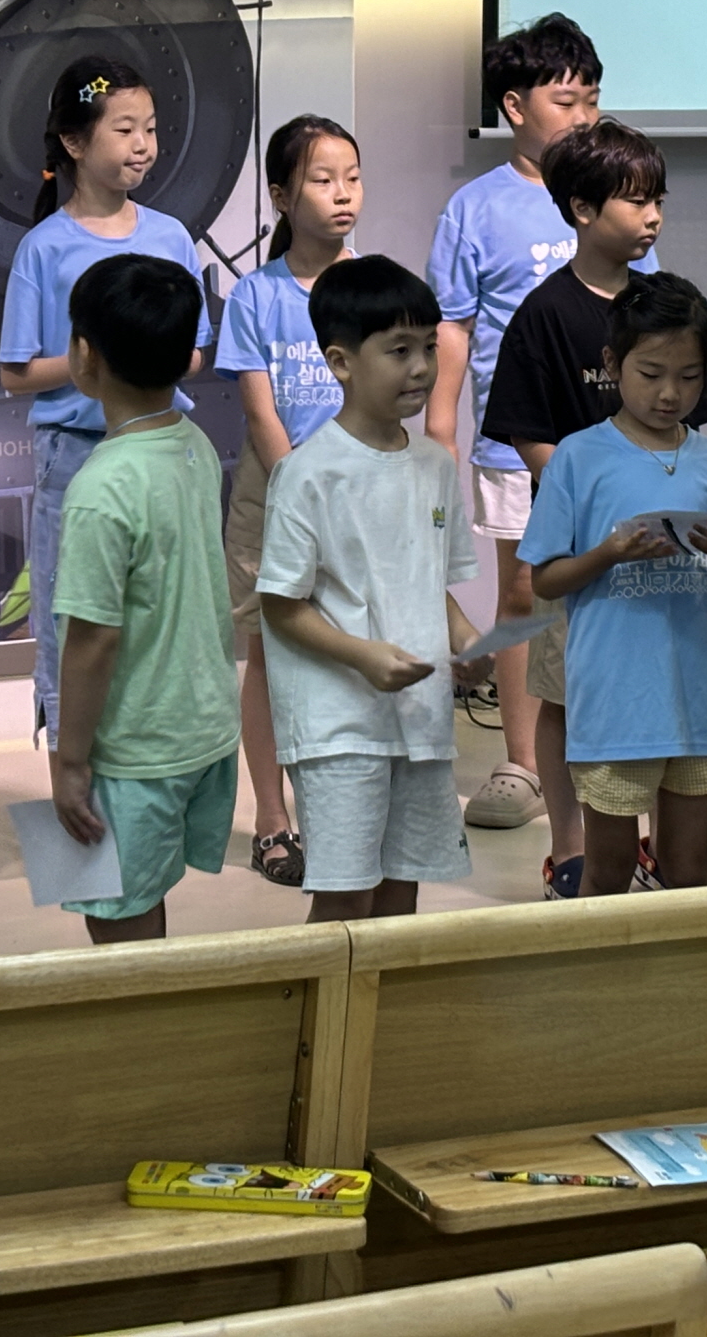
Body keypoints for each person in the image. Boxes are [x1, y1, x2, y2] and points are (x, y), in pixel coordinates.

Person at [483, 119, 707, 897]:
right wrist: (600, 493)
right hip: (580, 547)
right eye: (636, 201)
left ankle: (653, 845)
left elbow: (696, 430)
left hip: (662, 558)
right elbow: (528, 434)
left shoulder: (668, 305)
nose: (653, 216)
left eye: (659, 201)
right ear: (582, 209)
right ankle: (572, 846)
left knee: (658, 690)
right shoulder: (546, 312)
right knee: (566, 692)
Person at [426, 14, 624, 833]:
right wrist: (442, 424)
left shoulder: (612, 195)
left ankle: (607, 746)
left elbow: (640, 308)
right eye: (565, 102)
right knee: (524, 588)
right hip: (517, 440)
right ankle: (523, 762)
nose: (583, 117)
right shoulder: (475, 207)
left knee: (610, 584)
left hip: (609, 437)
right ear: (515, 106)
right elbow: (453, 326)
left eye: (592, 101)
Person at [257, 255, 489, 922]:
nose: (421, 367)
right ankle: (323, 998)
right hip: (340, 727)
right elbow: (280, 606)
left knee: (400, 890)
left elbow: (426, 582)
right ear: (340, 362)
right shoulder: (308, 473)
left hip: (420, 719)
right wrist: (363, 656)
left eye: (429, 347)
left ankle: (386, 998)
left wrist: (465, 638)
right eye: (398, 350)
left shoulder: (433, 465)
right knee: (344, 895)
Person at [0, 57, 213, 750]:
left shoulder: (170, 236)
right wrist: (102, 358)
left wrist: (138, 357)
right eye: (124, 129)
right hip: (74, 458)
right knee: (73, 616)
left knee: (163, 610)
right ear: (73, 141)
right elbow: (16, 373)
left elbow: (195, 352)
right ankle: (71, 768)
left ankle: (157, 754)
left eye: (149, 128)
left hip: (160, 449)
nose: (143, 145)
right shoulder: (43, 248)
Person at [522, 273, 707, 899]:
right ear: (612, 364)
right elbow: (547, 576)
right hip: (615, 702)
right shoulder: (579, 457)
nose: (670, 393)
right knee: (606, 872)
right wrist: (609, 553)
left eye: (690, 376)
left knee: (691, 872)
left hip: (697, 696)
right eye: (651, 373)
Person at [47, 255, 240, 942]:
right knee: (144, 896)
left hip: (133, 748)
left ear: (84, 356)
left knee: (114, 922)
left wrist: (70, 761)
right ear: (188, 357)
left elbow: (92, 639)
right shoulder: (193, 442)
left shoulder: (100, 490)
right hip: (201, 725)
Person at [217, 114, 360, 891]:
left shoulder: (374, 285)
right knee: (273, 658)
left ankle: (342, 809)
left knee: (350, 659)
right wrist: (305, 493)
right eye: (322, 179)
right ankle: (273, 822)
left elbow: (396, 391)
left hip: (361, 500)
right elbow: (259, 410)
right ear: (279, 194)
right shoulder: (256, 294)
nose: (343, 194)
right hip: (274, 501)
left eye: (353, 178)